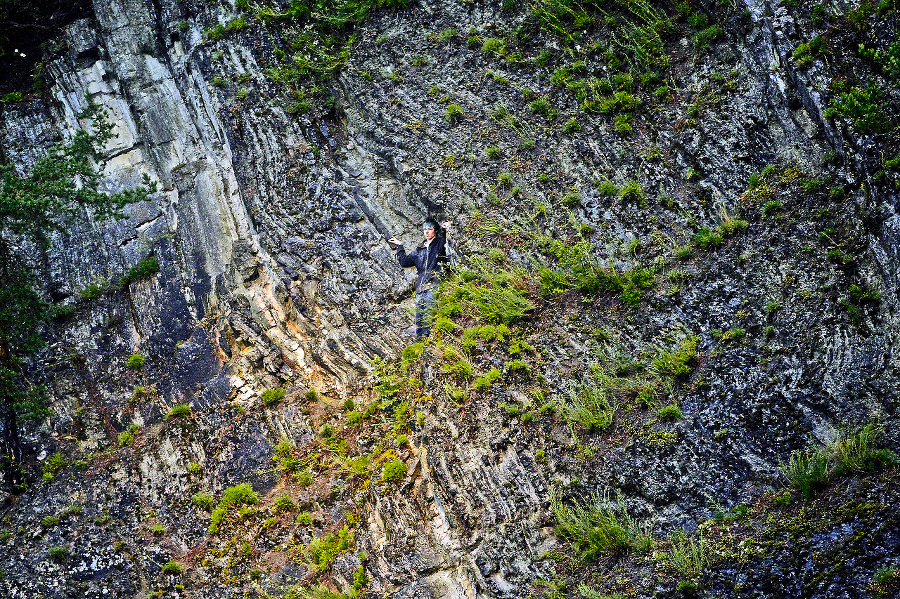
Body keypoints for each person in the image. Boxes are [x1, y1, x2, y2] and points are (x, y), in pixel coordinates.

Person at [388, 220, 452, 338]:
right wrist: (400, 246)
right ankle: (420, 344)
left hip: (434, 283)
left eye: (430, 229)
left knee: (429, 315)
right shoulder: (419, 249)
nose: (427, 232)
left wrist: (445, 228)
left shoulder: (438, 243)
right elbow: (404, 262)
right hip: (421, 287)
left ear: (435, 231)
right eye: (425, 230)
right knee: (420, 320)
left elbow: (444, 239)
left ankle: (429, 342)